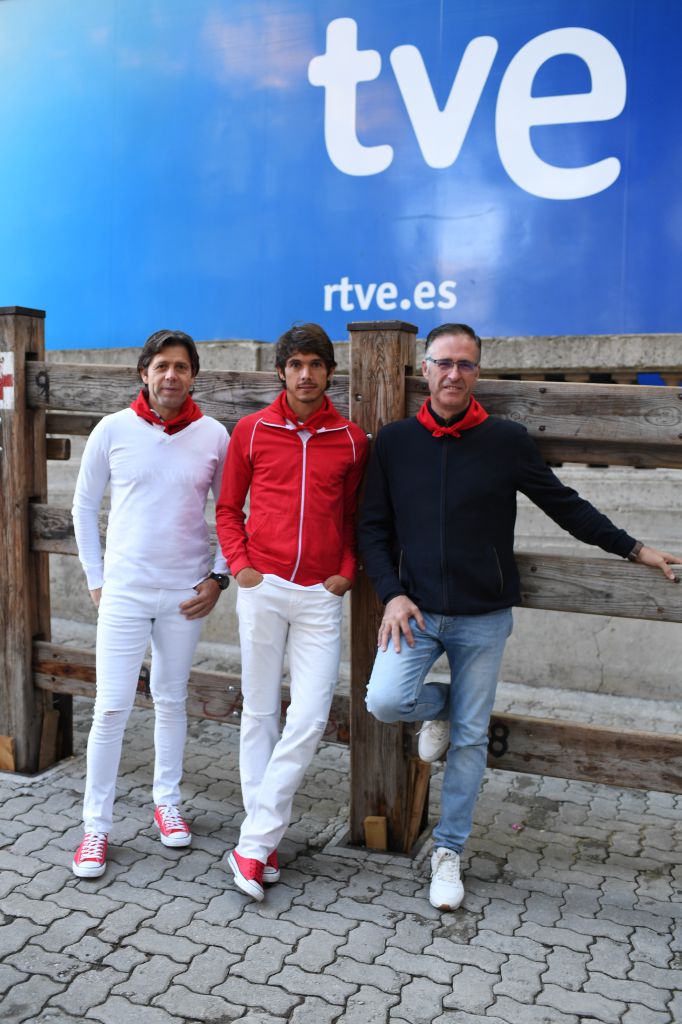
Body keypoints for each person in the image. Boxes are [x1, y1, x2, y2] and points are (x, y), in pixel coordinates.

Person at [358, 322, 681, 912]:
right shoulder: (395, 442)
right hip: (416, 612)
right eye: (443, 363)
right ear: (425, 370)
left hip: (483, 617)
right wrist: (392, 594)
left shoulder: (505, 440)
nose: (454, 374)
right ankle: (446, 708)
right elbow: (372, 527)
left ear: (478, 373)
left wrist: (635, 549)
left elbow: (565, 506)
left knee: (471, 738)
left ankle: (448, 851)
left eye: (466, 364)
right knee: (385, 701)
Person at [216, 323, 369, 902]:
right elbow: (228, 508)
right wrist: (241, 567)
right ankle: (262, 845)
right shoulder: (252, 430)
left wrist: (345, 573)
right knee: (259, 713)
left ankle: (253, 841)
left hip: (319, 596)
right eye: (296, 364)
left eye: (316, 364)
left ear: (330, 372)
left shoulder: (351, 440)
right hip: (263, 585)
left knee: (307, 717)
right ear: (281, 371)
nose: (306, 374)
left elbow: (354, 518)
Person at [71, 330, 230, 878]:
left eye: (181, 367)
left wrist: (218, 577)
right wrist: (96, 579)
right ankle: (96, 828)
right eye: (162, 366)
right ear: (144, 372)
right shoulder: (112, 429)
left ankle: (168, 802)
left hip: (185, 593)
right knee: (111, 707)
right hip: (125, 591)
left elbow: (231, 510)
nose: (171, 376)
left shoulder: (213, 435)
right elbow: (83, 505)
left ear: (193, 376)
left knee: (170, 698)